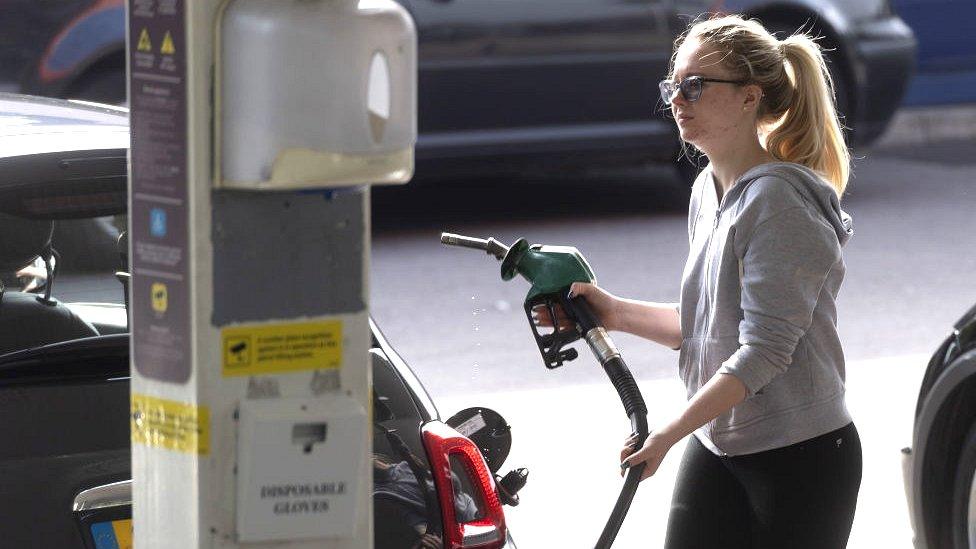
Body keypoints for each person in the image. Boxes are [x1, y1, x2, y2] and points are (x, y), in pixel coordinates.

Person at [534, 14, 861, 549]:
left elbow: (763, 352)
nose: (677, 100)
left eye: (695, 86)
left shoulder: (778, 203)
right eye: (674, 87)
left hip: (801, 454)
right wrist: (611, 311)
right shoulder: (708, 190)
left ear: (749, 98)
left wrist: (667, 434)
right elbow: (708, 327)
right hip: (720, 442)